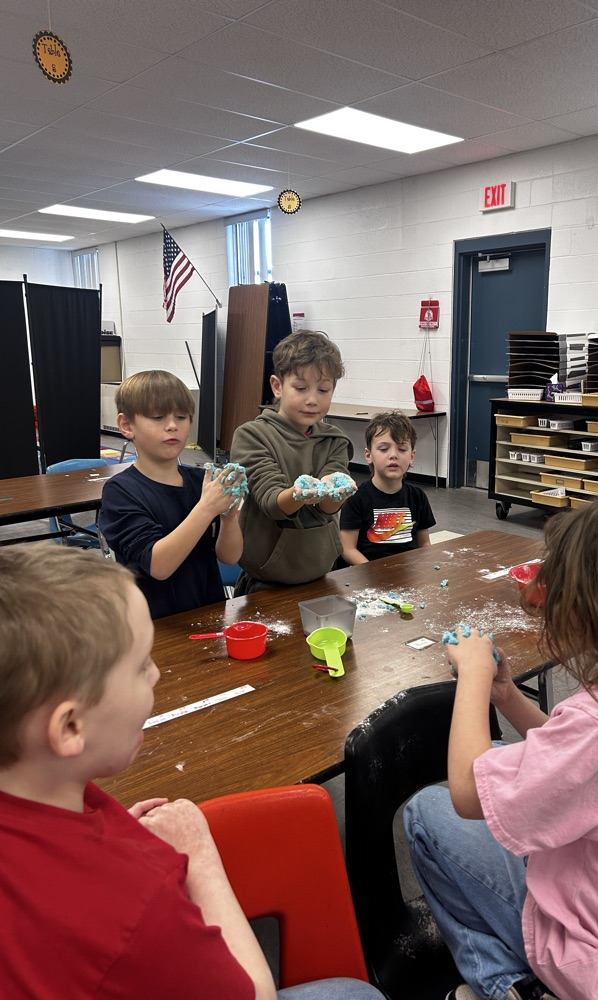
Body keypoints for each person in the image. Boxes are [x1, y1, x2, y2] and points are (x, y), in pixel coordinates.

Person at [0, 544, 384, 1000]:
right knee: (355, 993)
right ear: (70, 726)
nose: (157, 675)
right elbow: (253, 993)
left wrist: (103, 832)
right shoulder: (133, 905)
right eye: (142, 664)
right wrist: (198, 853)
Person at [404, 495, 598, 1000]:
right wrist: (506, 696)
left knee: (426, 812)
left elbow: (467, 791)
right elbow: (578, 761)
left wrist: (473, 674)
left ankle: (507, 985)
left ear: (586, 608)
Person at [99, 370, 245, 619]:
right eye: (157, 417)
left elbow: (230, 557)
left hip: (208, 613)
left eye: (182, 417)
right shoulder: (120, 492)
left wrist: (228, 517)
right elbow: (159, 566)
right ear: (126, 425)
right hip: (154, 624)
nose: (172, 426)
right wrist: (207, 508)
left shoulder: (201, 481)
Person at [230, 329, 355, 595]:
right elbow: (271, 502)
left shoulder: (334, 440)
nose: (312, 399)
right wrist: (299, 494)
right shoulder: (252, 435)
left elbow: (328, 507)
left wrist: (336, 490)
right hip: (266, 580)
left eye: (323, 390)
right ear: (277, 386)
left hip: (323, 571)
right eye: (300, 388)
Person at [340, 410, 435, 564]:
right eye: (384, 449)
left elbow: (424, 544)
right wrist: (375, 572)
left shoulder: (418, 497)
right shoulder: (356, 498)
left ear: (412, 456)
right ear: (368, 455)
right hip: (368, 575)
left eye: (402, 449)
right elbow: (348, 549)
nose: (393, 455)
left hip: (407, 575)